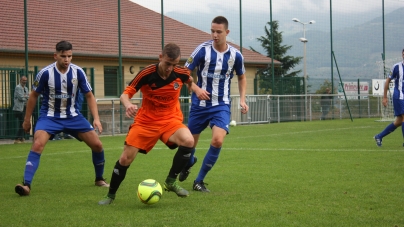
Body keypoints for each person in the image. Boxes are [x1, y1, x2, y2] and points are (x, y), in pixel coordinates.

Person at [98, 43, 194, 205]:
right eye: (167, 64)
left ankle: (170, 181)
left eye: (174, 64)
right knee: (125, 159)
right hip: (146, 122)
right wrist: (128, 105)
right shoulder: (146, 73)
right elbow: (124, 95)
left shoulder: (181, 72)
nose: (170, 68)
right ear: (160, 57)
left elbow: (189, 79)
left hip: (170, 119)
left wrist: (193, 89)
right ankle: (110, 195)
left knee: (189, 141)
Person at [15, 40, 109, 196]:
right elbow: (33, 96)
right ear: (55, 56)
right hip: (50, 117)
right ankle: (26, 185)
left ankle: (99, 179)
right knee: (37, 144)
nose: (67, 60)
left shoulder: (78, 72)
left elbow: (89, 96)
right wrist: (27, 120)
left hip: (73, 116)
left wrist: (96, 119)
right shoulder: (45, 73)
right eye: (63, 56)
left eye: (70, 56)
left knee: (98, 145)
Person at [180, 16, 249, 192]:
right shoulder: (201, 50)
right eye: (212, 31)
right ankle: (189, 162)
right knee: (188, 146)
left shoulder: (235, 55)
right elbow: (183, 73)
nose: (215, 35)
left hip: (221, 105)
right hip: (199, 105)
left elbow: (242, 77)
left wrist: (242, 99)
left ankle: (199, 181)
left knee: (217, 140)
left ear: (227, 32)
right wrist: (195, 88)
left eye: (218, 32)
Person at [374, 49, 404, 147]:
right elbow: (387, 81)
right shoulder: (397, 67)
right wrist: (385, 97)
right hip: (398, 96)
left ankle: (379, 136)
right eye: (403, 53)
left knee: (399, 121)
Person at [12, 76, 29, 144]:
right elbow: (21, 98)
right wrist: (26, 97)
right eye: (23, 80)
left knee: (23, 123)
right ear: (20, 80)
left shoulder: (26, 88)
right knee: (22, 123)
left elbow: (28, 96)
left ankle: (21, 138)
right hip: (18, 109)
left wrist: (26, 96)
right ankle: (17, 138)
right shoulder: (18, 87)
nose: (24, 82)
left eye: (25, 80)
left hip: (24, 108)